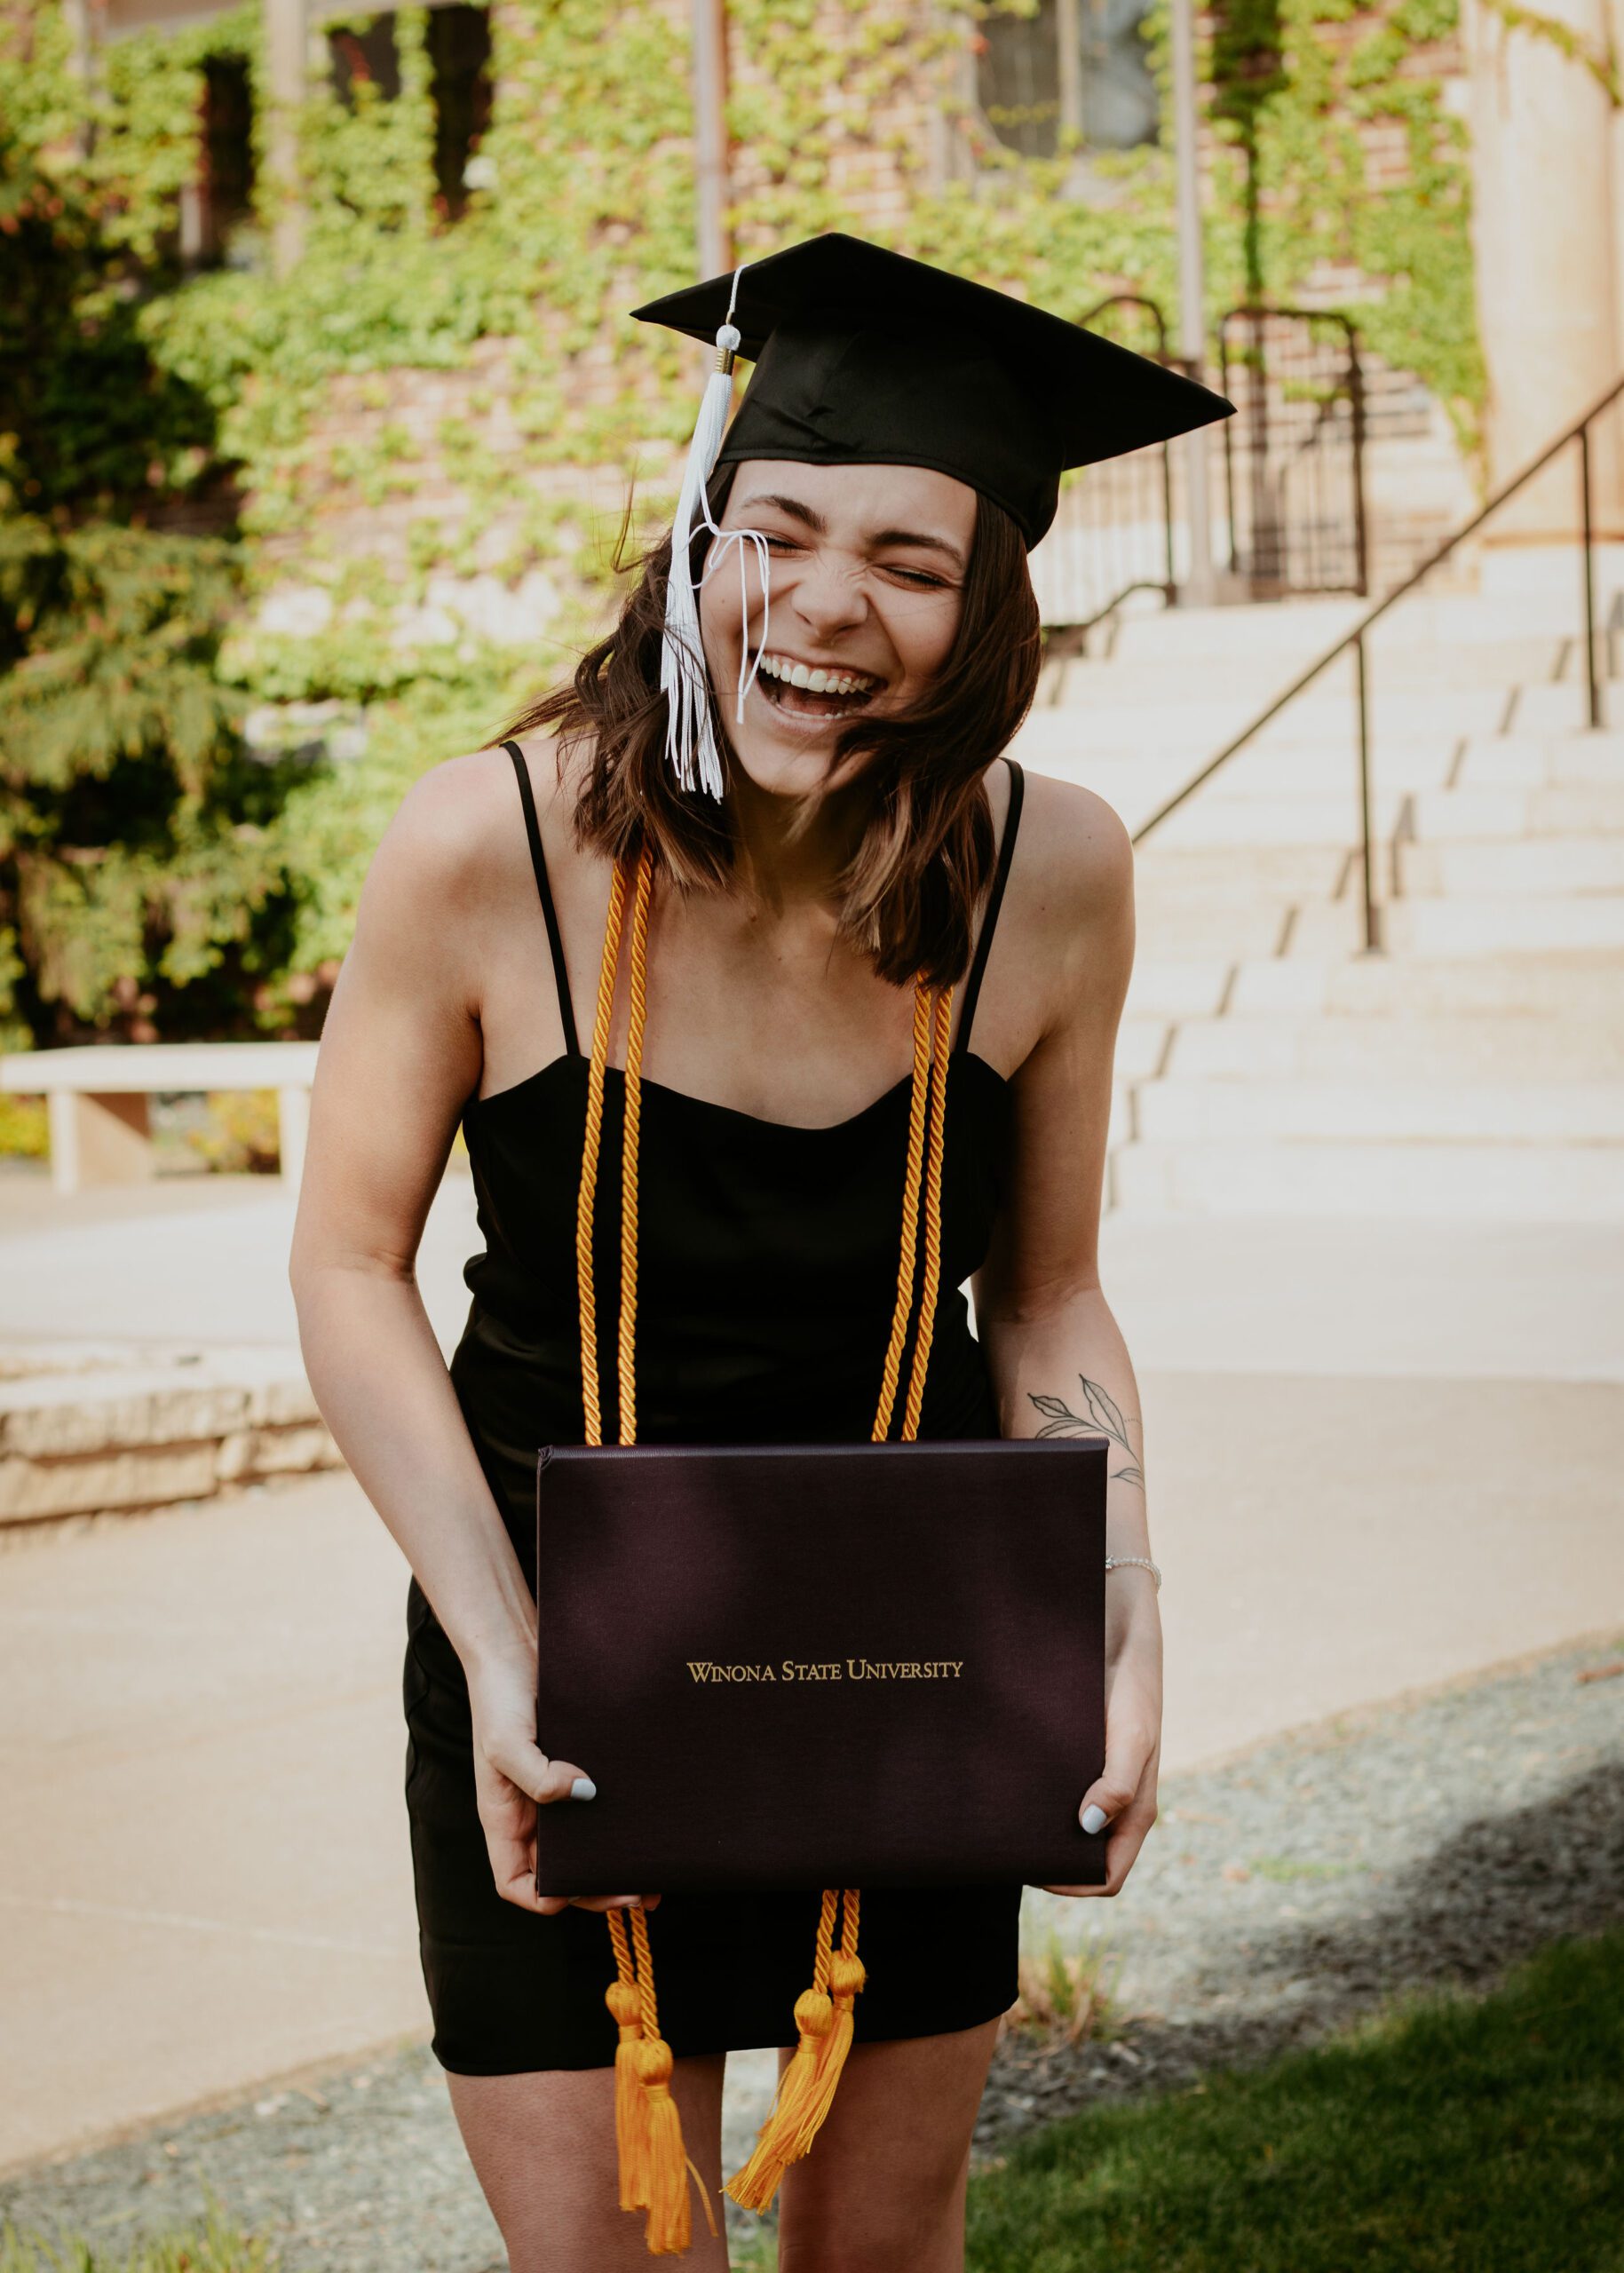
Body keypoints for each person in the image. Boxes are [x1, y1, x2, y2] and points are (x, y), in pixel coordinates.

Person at [289, 234, 1230, 2270]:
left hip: (912, 1649)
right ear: (703, 528)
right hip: (551, 1644)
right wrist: (494, 1634)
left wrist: (1126, 1604)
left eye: (908, 558)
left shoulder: (1049, 873)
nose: (822, 605)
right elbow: (349, 1265)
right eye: (779, 530)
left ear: (988, 609)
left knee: (885, 2254)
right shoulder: (493, 847)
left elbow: (1047, 1290)